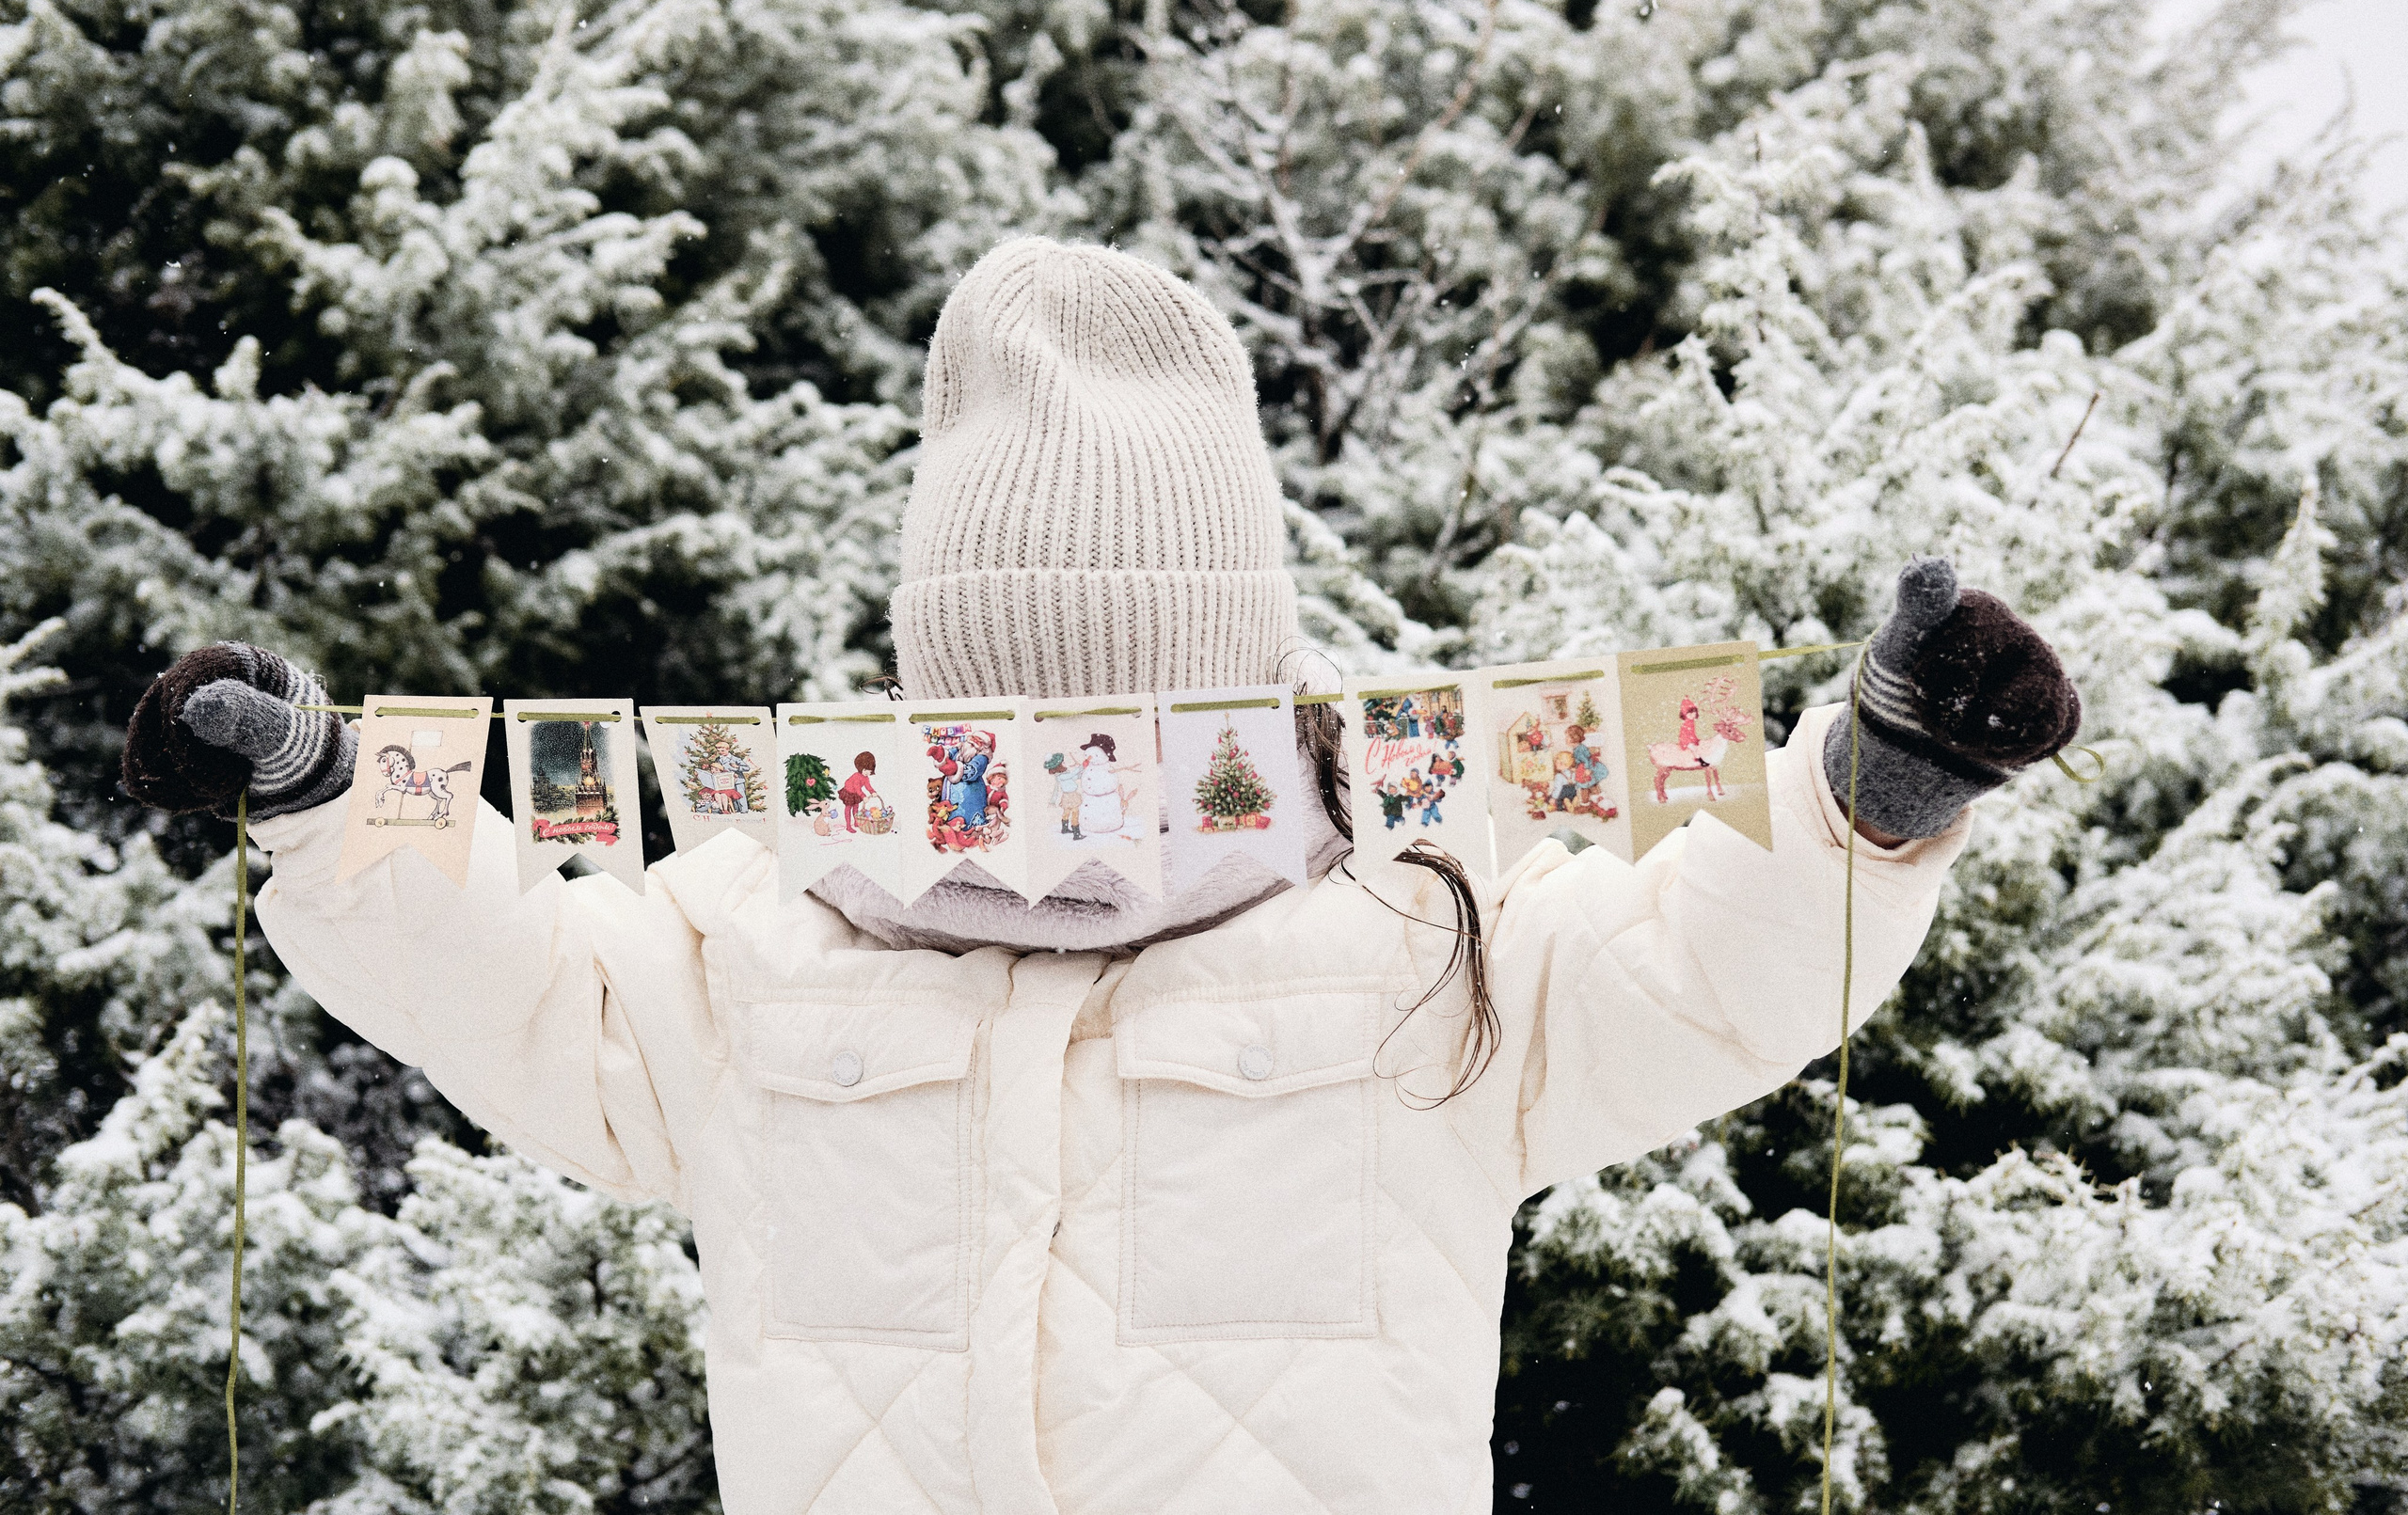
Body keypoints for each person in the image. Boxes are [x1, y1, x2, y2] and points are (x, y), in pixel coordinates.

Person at [121, 239, 2080, 1515]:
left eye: (1135, 720)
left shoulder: (1424, 928)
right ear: (925, 687)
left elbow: (1695, 971)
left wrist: (1863, 799)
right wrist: (333, 805)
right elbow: (524, 989)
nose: (1073, 790)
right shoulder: (758, 930)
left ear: (1242, 673)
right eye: (1016, 714)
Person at [1074, 733, 1126, 841]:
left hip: (1107, 801)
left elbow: (1111, 782)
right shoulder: (1088, 768)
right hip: (1089, 800)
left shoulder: (1107, 769)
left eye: (1095, 754)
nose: (1090, 757)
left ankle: (1108, 824)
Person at [836, 751, 878, 834]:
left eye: (869, 771)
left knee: (856, 807)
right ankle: (848, 826)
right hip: (849, 792)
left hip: (855, 793)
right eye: (865, 770)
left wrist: (873, 792)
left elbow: (868, 786)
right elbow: (857, 788)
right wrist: (863, 796)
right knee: (848, 808)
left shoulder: (866, 778)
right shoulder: (856, 776)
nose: (867, 772)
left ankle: (856, 822)